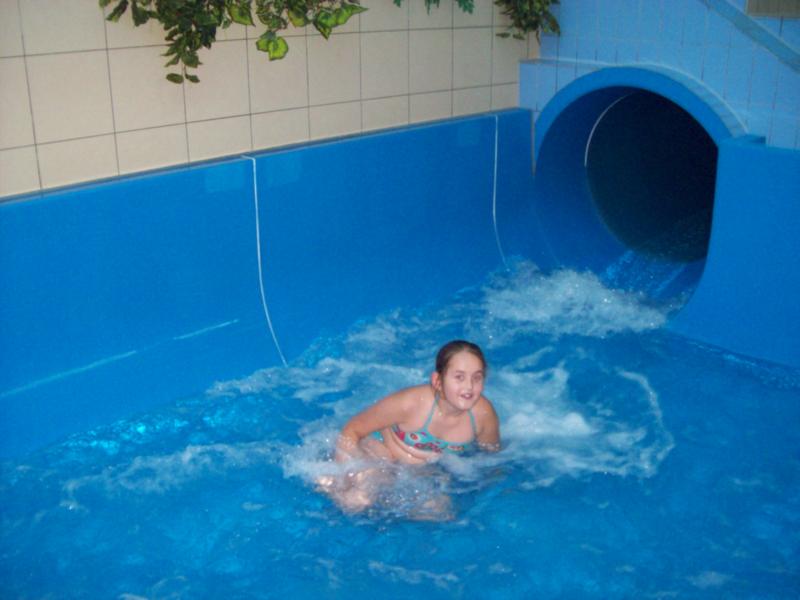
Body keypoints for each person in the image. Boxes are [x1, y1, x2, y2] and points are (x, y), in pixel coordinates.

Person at [319, 340, 501, 514]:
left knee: (439, 512)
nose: (469, 386)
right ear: (438, 381)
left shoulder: (483, 416)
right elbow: (351, 430)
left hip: (420, 471)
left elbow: (492, 457)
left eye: (477, 378)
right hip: (381, 452)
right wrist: (344, 473)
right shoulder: (411, 404)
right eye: (459, 377)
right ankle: (329, 481)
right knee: (360, 499)